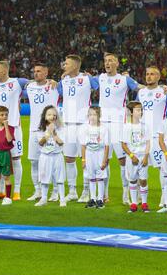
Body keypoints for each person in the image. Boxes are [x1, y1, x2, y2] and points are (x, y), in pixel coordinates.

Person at [93, 53, 140, 204]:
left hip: (119, 123)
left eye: (111, 60)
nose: (107, 63)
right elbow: (83, 81)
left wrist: (159, 87)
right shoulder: (99, 78)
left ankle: (126, 193)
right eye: (105, 61)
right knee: (103, 159)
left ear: (117, 63)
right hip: (103, 124)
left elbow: (140, 88)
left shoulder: (125, 79)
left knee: (122, 160)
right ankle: (104, 194)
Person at [57, 55, 99, 202]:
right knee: (69, 158)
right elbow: (59, 92)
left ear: (75, 66)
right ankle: (73, 190)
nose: (64, 66)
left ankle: (86, 191)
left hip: (83, 123)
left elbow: (100, 85)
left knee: (86, 159)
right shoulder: (64, 80)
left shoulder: (87, 79)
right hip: (67, 123)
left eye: (66, 63)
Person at [0, 60, 28, 201]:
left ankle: (16, 191)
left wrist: (50, 81)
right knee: (0, 159)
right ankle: (2, 191)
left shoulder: (18, 82)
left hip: (13, 127)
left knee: (15, 159)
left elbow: (34, 83)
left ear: (5, 70)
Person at [23, 63, 60, 202]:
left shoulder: (54, 86)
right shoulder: (30, 86)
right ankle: (37, 190)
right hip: (34, 129)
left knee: (53, 162)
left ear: (46, 72)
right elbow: (18, 84)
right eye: (34, 71)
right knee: (34, 162)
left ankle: (55, 191)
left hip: (49, 130)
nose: (36, 73)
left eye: (39, 71)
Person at [137, 66, 167, 208]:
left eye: (152, 74)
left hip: (158, 136)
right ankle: (140, 196)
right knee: (140, 166)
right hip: (143, 137)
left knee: (162, 168)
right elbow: (134, 111)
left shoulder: (163, 92)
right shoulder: (141, 93)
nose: (149, 77)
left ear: (158, 77)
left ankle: (165, 196)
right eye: (147, 74)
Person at [121, 101, 151, 213]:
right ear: (132, 112)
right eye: (138, 110)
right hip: (132, 158)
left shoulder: (145, 126)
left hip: (142, 157)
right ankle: (133, 203)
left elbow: (148, 142)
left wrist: (146, 156)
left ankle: (144, 203)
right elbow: (123, 144)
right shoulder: (126, 127)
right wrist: (131, 155)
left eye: (141, 110)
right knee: (132, 180)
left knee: (143, 180)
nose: (140, 112)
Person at [34, 105, 66, 207]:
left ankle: (62, 199)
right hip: (45, 156)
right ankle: (44, 199)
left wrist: (54, 133)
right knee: (44, 178)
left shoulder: (61, 128)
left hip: (57, 155)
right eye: (49, 114)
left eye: (54, 114)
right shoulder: (40, 129)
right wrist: (48, 132)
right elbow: (41, 143)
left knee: (60, 179)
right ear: (44, 116)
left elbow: (61, 143)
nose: (52, 116)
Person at [79, 106, 110, 209]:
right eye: (90, 114)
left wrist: (105, 160)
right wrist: (83, 160)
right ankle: (92, 199)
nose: (92, 117)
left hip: (100, 154)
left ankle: (100, 199)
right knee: (91, 177)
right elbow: (83, 145)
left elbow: (106, 146)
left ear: (99, 116)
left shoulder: (104, 128)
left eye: (94, 114)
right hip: (89, 154)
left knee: (100, 177)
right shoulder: (84, 128)